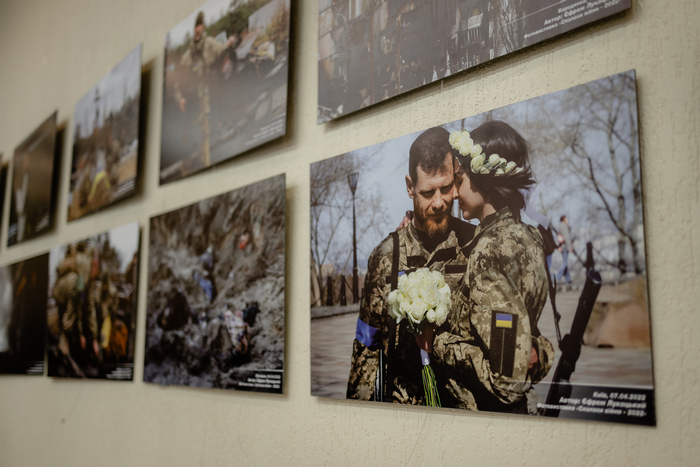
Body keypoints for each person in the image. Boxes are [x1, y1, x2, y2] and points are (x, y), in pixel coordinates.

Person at [420, 121, 554, 413]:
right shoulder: (528, 238)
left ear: (483, 181)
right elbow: (523, 341)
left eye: (461, 179)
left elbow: (506, 382)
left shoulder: (489, 251)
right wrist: (540, 351)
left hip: (486, 412)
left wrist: (437, 344)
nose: (454, 194)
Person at [347, 126, 476, 404]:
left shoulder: (474, 246)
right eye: (428, 193)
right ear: (410, 187)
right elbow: (367, 344)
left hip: (464, 410)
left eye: (446, 188)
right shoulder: (387, 255)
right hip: (404, 407)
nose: (439, 202)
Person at [174, 11, 237, 169]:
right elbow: (177, 83)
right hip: (190, 106)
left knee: (204, 136)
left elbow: (221, 50)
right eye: (196, 27)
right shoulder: (187, 57)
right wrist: (179, 98)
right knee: (187, 144)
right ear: (194, 30)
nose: (198, 30)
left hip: (204, 100)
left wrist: (229, 44)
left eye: (201, 26)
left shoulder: (209, 43)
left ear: (203, 28)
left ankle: (206, 166)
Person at [555, 215, 573, 284]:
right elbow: (567, 237)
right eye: (566, 218)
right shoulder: (564, 226)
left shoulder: (560, 226)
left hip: (562, 246)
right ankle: (557, 277)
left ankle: (568, 279)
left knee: (565, 262)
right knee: (564, 263)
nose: (567, 219)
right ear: (564, 219)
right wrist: (570, 247)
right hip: (565, 246)